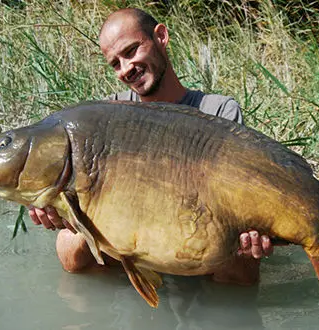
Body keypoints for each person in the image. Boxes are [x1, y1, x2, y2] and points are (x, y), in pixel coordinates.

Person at [29, 8, 274, 285]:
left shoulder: (217, 111)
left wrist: (250, 234)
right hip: (131, 237)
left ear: (161, 37)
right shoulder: (108, 115)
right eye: (115, 63)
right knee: (70, 247)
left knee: (242, 262)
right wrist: (60, 209)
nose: (126, 69)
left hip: (200, 237)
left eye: (131, 51)